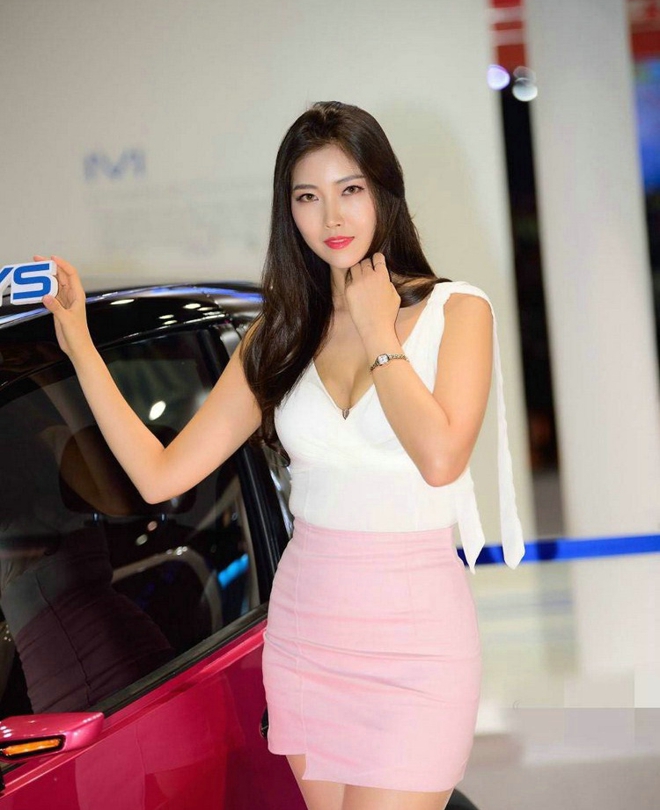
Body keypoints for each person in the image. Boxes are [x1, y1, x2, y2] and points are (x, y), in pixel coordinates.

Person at [38, 100, 525, 810]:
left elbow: (441, 459)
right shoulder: (279, 336)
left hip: (418, 647)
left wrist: (377, 331)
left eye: (349, 189)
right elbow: (159, 474)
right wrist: (80, 345)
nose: (331, 216)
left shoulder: (458, 311)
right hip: (308, 639)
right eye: (307, 197)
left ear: (384, 192)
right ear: (287, 211)